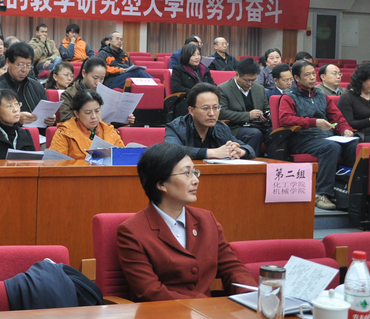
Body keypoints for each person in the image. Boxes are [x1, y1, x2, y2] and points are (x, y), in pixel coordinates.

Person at [116, 142, 255, 301]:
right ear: (161, 184)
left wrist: (251, 296)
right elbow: (150, 291)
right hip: (167, 314)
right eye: (187, 173)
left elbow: (232, 268)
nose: (196, 180)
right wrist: (203, 308)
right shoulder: (132, 232)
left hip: (210, 313)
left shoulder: (206, 220)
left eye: (195, 172)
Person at [279, 60, 356, 211]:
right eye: (307, 75)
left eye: (313, 74)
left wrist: (345, 130)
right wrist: (313, 122)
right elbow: (285, 119)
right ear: (297, 78)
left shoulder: (321, 95)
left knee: (354, 145)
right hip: (302, 138)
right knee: (331, 147)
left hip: (325, 136)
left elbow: (337, 118)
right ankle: (322, 194)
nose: (312, 77)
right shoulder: (289, 96)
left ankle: (347, 190)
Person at [165, 83, 255, 160]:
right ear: (191, 110)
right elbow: (171, 151)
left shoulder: (221, 128)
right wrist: (211, 153)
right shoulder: (176, 127)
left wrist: (240, 151)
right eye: (205, 108)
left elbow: (249, 149)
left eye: (216, 108)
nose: (212, 113)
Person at [0, 42, 54, 127]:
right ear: (8, 62)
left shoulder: (37, 86)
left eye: (28, 66)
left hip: (38, 133)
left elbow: (45, 113)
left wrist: (50, 120)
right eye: (20, 65)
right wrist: (15, 119)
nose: (24, 70)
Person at [217, 58, 270, 156]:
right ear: (237, 74)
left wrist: (266, 116)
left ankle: (274, 162)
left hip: (258, 125)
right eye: (246, 80)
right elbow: (222, 112)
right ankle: (250, 161)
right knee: (255, 133)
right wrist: (248, 115)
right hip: (235, 127)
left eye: (253, 80)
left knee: (275, 133)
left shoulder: (259, 89)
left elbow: (266, 108)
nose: (250, 84)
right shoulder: (223, 89)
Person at [49, 89, 124, 159]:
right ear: (77, 113)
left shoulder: (109, 131)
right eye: (88, 113)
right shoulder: (64, 133)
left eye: (97, 111)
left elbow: (123, 158)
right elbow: (57, 164)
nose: (94, 116)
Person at [60, 57, 107, 123]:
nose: (98, 83)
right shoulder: (69, 94)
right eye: (95, 78)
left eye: (102, 79)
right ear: (84, 73)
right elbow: (66, 120)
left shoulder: (105, 93)